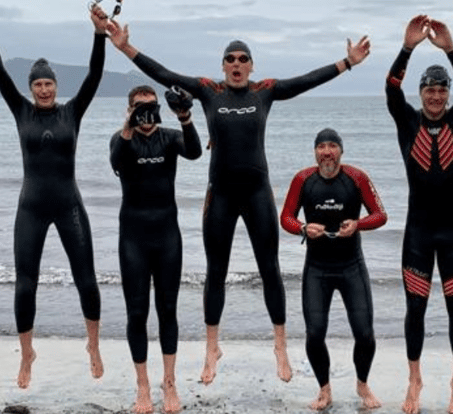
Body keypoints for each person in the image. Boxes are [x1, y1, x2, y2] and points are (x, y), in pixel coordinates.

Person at [105, 19, 371, 385]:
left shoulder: (265, 91)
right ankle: (212, 349)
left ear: (251, 65)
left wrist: (347, 63)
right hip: (221, 196)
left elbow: (305, 81)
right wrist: (124, 48)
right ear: (223, 65)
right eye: (230, 58)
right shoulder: (208, 91)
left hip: (257, 193)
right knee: (216, 272)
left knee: (270, 270)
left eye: (243, 58)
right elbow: (163, 73)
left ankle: (280, 346)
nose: (236, 63)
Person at [0, 0, 110, 389]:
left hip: (69, 205)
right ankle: (27, 353)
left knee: (86, 278)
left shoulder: (72, 113)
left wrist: (99, 34)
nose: (44, 89)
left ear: (55, 86)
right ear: (31, 89)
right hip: (31, 207)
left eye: (48, 83)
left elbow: (95, 77)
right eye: (38, 84)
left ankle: (94, 345)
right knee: (25, 282)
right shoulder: (21, 112)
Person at [385, 15, 453, 414]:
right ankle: (414, 380)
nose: (437, 96)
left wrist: (450, 48)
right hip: (419, 235)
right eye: (431, 90)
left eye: (442, 90)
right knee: (416, 311)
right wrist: (407, 48)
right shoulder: (408, 122)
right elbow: (391, 90)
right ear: (421, 93)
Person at [110, 85, 203, 414]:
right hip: (133, 238)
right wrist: (127, 127)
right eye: (139, 108)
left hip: (167, 237)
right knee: (136, 313)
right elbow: (117, 162)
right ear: (130, 108)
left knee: (167, 310)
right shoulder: (121, 139)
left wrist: (186, 118)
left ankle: (169, 382)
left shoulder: (169, 137)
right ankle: (143, 385)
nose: (146, 113)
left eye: (150, 106)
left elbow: (195, 152)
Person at [280, 129, 387, 411]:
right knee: (315, 334)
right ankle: (324, 390)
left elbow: (380, 214)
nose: (327, 152)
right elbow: (286, 217)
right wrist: (303, 228)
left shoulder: (357, 177)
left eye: (333, 146)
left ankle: (362, 384)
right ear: (315, 152)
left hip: (351, 266)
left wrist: (358, 224)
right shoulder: (303, 180)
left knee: (364, 333)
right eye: (321, 147)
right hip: (317, 268)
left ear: (341, 151)